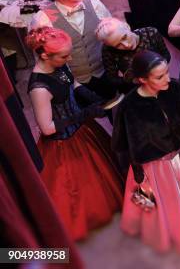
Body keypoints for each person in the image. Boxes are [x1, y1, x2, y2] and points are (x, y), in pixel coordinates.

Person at [26, 27, 123, 241]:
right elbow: (47, 128)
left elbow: (73, 82)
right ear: (44, 55)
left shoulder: (59, 63)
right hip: (62, 142)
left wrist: (89, 96)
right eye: (64, 56)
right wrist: (83, 113)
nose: (69, 58)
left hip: (82, 131)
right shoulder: (38, 88)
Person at [113, 50, 180, 252]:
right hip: (155, 166)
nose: (168, 78)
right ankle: (172, 234)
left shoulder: (174, 88)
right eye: (160, 77)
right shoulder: (129, 106)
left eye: (167, 71)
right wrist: (138, 172)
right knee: (163, 203)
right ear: (142, 79)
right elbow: (123, 143)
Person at [30, 0, 115, 100]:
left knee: (112, 109)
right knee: (85, 118)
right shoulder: (43, 19)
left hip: (104, 72)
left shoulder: (94, 3)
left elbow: (112, 35)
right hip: (73, 83)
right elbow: (44, 62)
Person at [96, 17, 171, 93]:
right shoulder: (108, 50)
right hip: (137, 90)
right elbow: (112, 79)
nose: (126, 45)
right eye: (118, 45)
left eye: (124, 37)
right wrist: (132, 80)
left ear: (127, 26)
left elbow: (166, 55)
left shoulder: (151, 33)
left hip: (161, 81)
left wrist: (159, 69)